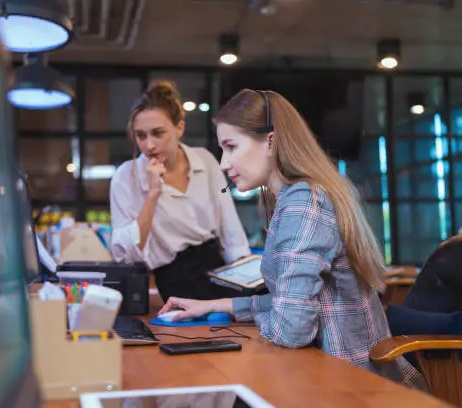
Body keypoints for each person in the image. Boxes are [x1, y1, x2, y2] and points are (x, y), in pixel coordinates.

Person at [158, 89, 427, 390]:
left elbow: (291, 329)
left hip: (353, 388)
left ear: (270, 140)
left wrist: (272, 317)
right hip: (335, 377)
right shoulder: (301, 195)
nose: (223, 164)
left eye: (231, 147)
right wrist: (213, 306)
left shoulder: (303, 202)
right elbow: (290, 306)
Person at [109, 80, 251, 302]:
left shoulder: (204, 159)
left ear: (179, 128)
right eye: (141, 136)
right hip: (175, 281)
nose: (149, 145)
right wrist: (153, 194)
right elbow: (126, 256)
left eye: (158, 133)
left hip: (220, 271)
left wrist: (247, 282)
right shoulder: (126, 177)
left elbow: (231, 231)